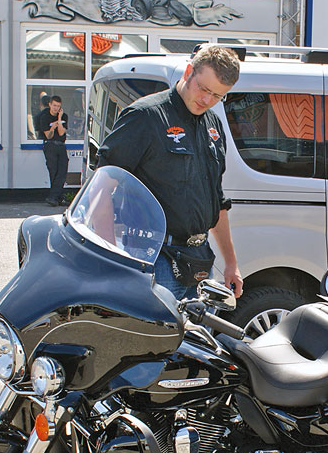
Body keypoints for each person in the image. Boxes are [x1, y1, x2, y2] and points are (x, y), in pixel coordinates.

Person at [97, 44, 243, 300]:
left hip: (200, 261)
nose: (207, 100)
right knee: (154, 339)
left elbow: (216, 201)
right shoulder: (146, 116)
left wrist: (231, 263)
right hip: (153, 259)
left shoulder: (213, 124)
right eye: (204, 89)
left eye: (218, 96)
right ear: (189, 72)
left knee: (194, 340)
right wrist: (113, 261)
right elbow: (101, 190)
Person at [36, 95, 69, 207]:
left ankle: (54, 197)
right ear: (50, 104)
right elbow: (49, 136)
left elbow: (61, 133)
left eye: (58, 106)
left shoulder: (64, 116)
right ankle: (56, 197)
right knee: (54, 171)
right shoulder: (44, 117)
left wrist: (59, 120)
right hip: (50, 145)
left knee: (63, 171)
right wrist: (52, 128)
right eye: (54, 105)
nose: (56, 108)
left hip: (61, 145)